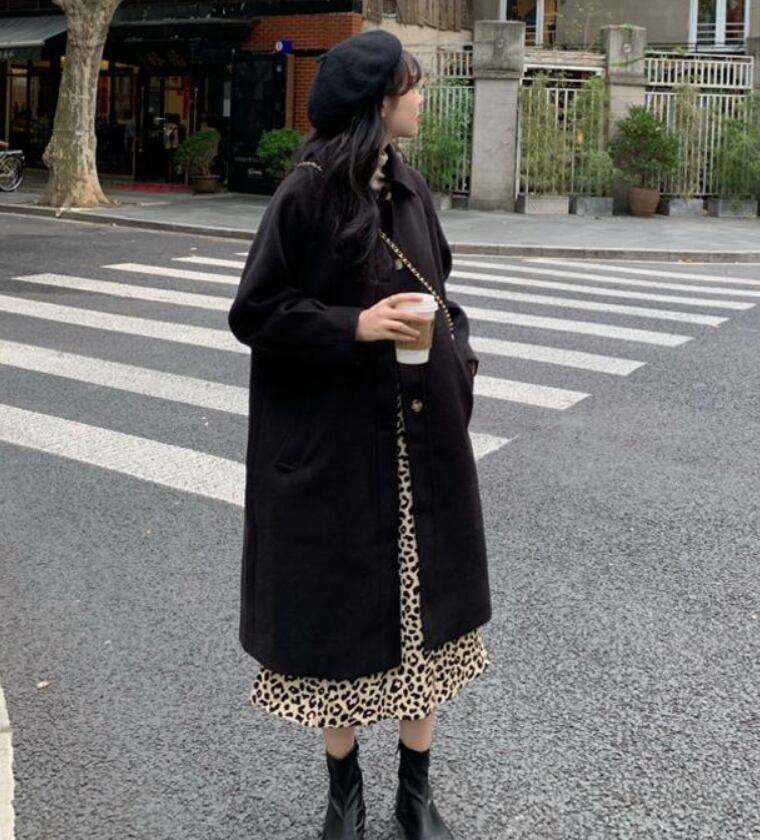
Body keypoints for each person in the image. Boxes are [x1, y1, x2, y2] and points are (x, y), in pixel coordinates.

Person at [228, 30, 492, 840]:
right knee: (333, 631)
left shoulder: (410, 187)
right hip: (337, 453)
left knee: (427, 629)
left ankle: (416, 793)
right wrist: (356, 325)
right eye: (412, 86)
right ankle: (344, 793)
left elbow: (442, 292)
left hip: (420, 448)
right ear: (379, 102)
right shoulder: (306, 193)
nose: (422, 98)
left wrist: (458, 362)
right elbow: (256, 312)